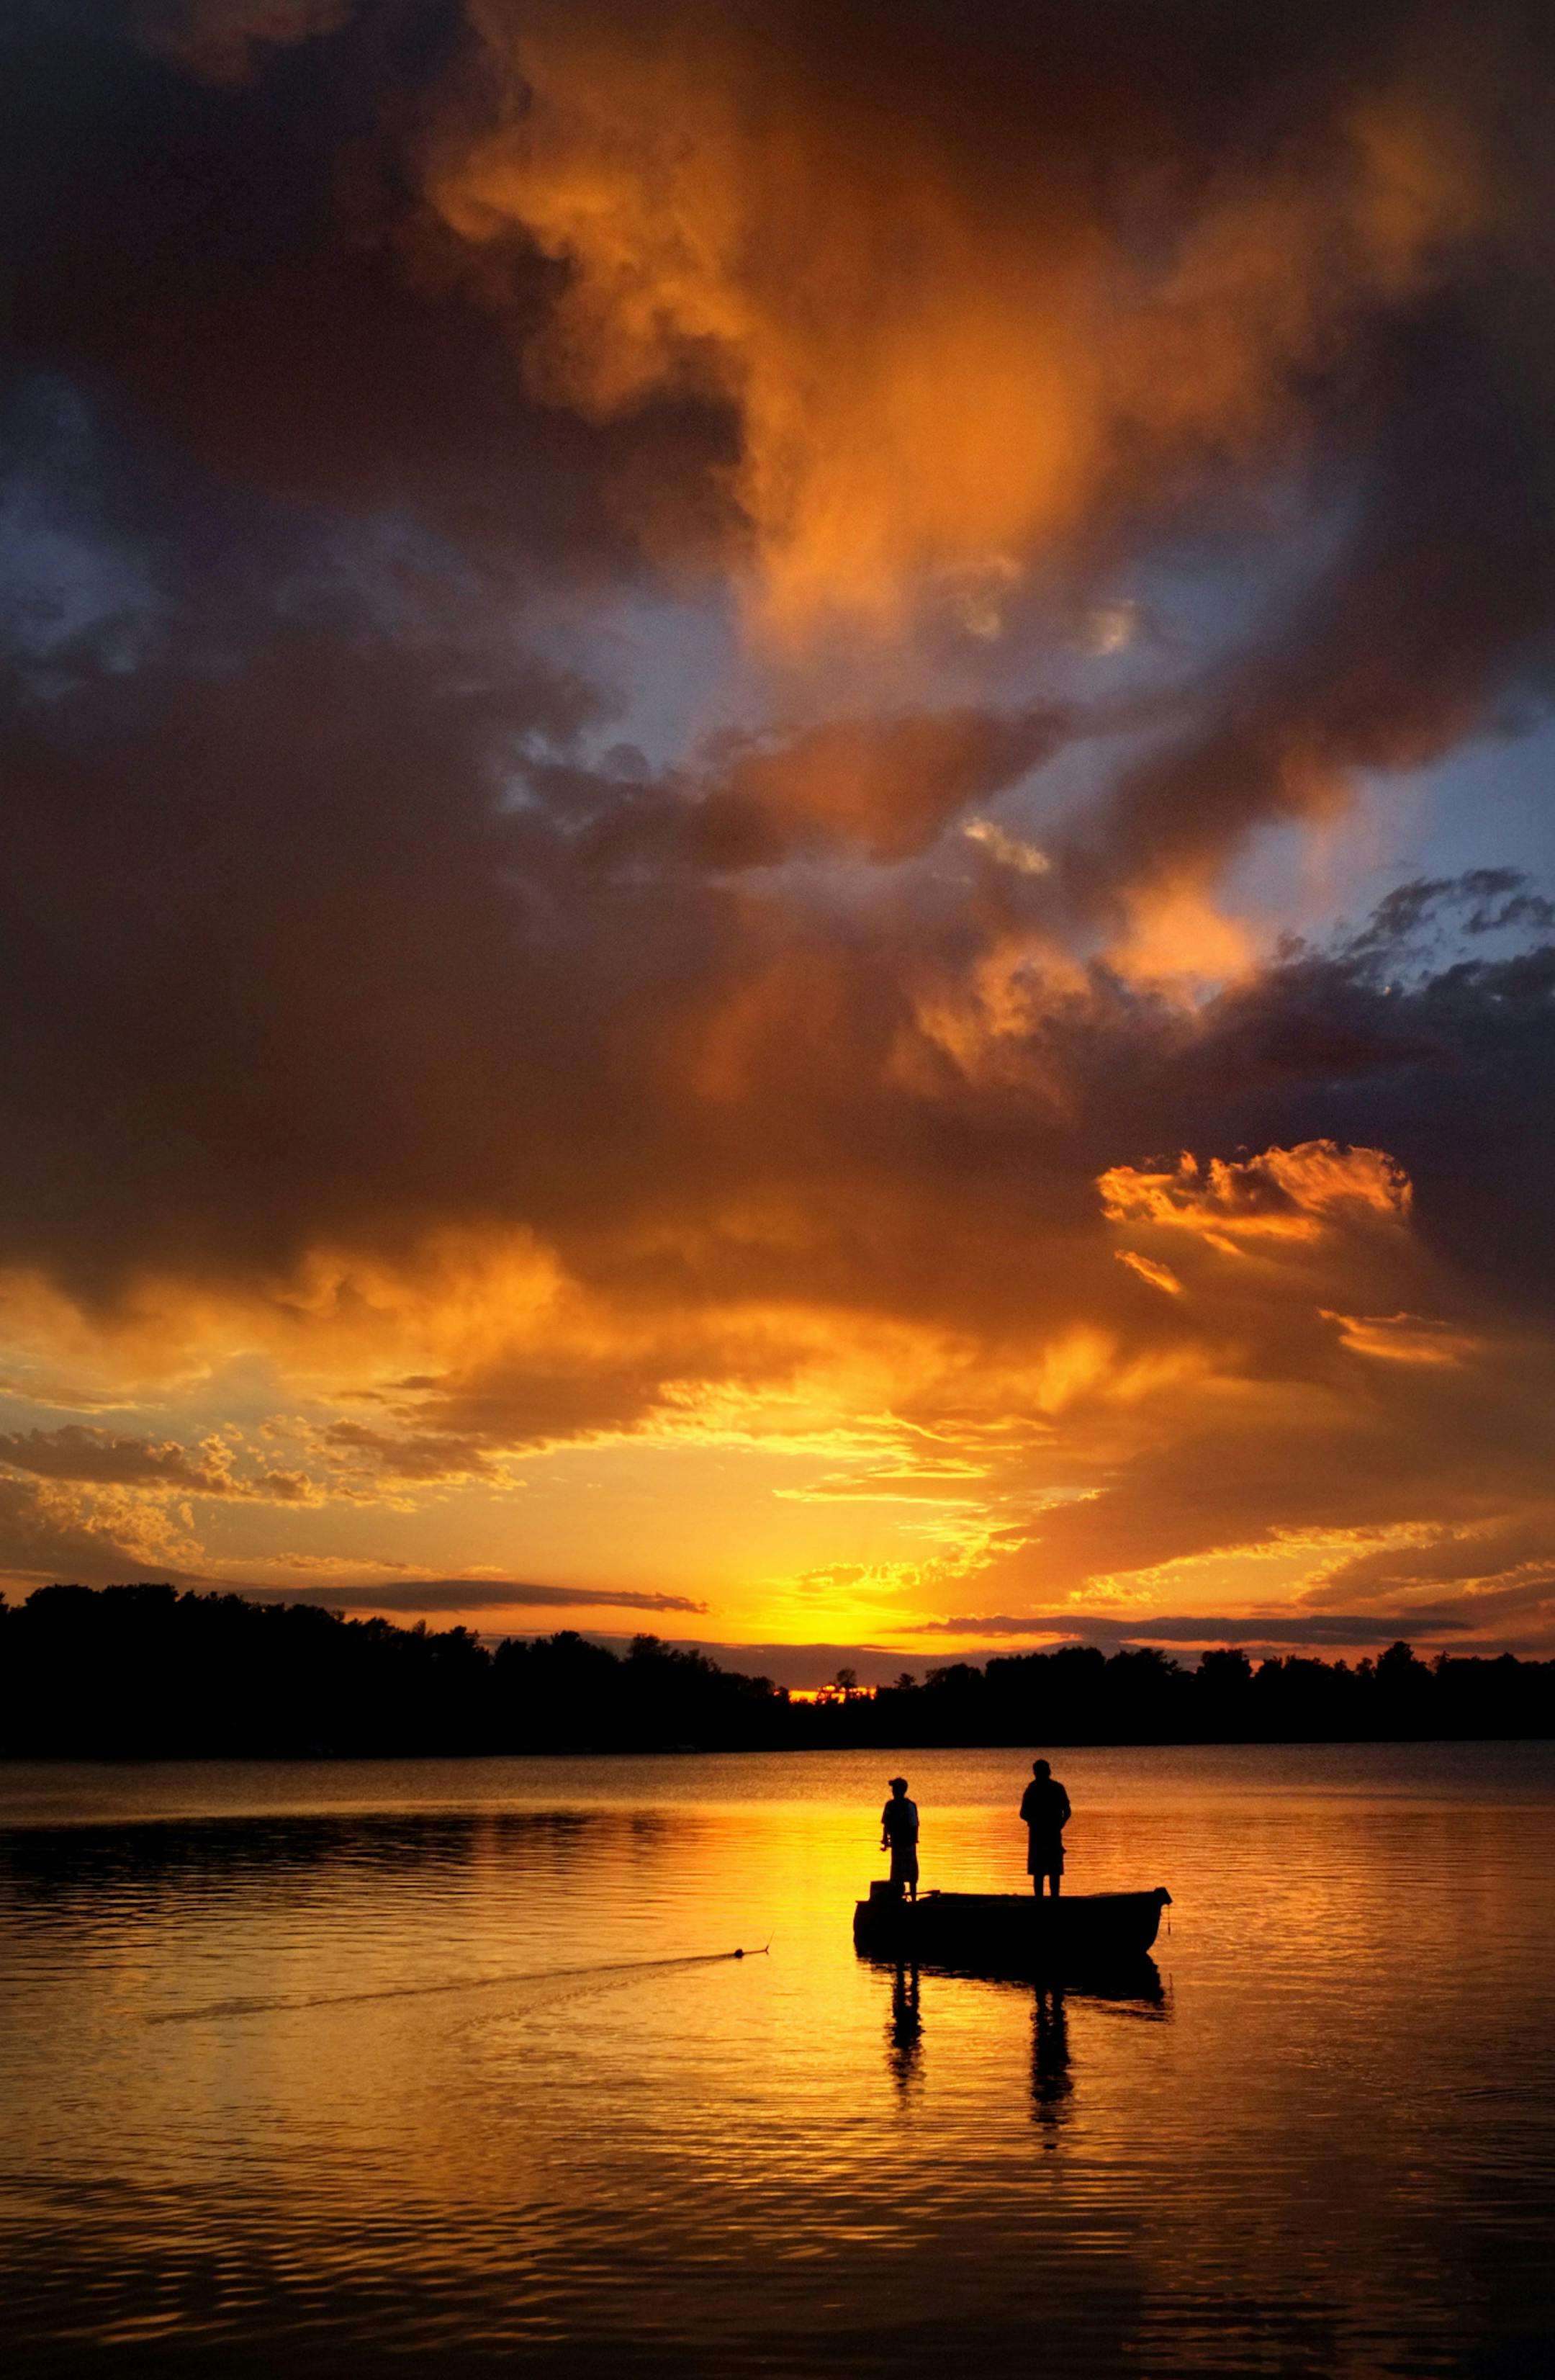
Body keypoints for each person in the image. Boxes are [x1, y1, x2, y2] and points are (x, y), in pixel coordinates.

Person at [1019, 1758, 1071, 1898]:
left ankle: (1040, 1900)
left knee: (1040, 1871)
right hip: (1049, 1832)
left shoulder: (1033, 1789)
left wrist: (1035, 1822)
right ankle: (1054, 1898)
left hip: (1041, 1834)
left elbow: (1023, 1813)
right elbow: (1067, 1812)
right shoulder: (1056, 1788)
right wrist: (1059, 1824)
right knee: (1051, 1870)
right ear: (1049, 1771)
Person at [880, 1776, 919, 1903]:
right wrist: (885, 1840)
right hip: (898, 1847)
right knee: (898, 1875)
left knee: (911, 1875)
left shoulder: (909, 1806)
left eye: (895, 1789)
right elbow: (886, 1825)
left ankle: (913, 1899)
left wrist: (911, 1840)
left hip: (906, 1846)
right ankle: (898, 1899)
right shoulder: (890, 1806)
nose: (893, 1791)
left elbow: (914, 1827)